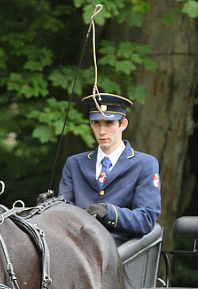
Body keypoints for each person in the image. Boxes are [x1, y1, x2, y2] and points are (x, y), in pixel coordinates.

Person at [53, 93, 162, 245]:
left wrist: (110, 213)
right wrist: (51, 207)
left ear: (123, 124)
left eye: (109, 123)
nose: (102, 131)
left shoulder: (145, 164)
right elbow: (65, 214)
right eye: (96, 123)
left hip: (120, 252)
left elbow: (146, 219)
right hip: (75, 248)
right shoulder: (75, 163)